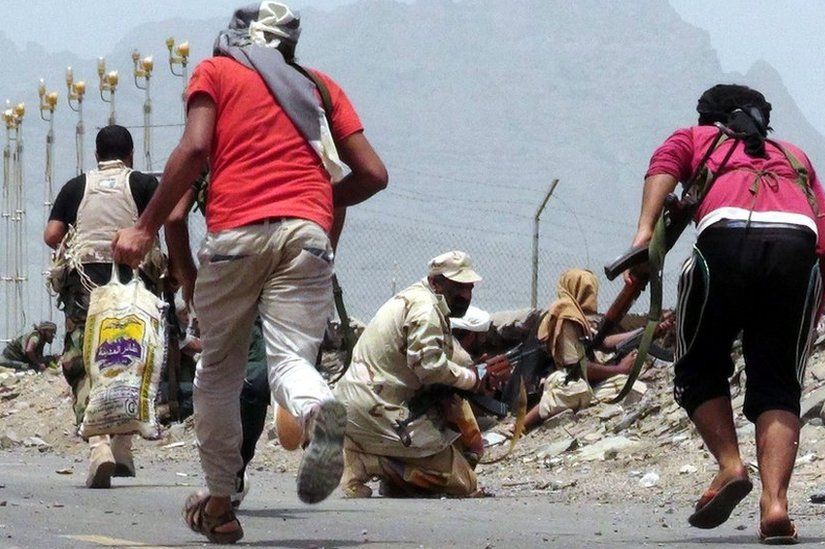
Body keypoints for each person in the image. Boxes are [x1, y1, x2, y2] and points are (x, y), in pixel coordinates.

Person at [112, 3, 387, 543]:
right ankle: (317, 410)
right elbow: (373, 174)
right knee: (290, 361)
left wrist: (142, 230)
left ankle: (219, 501)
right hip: (308, 235)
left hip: (237, 233)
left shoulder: (215, 72)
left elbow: (193, 150)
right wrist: (314, 205)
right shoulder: (321, 88)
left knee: (218, 370)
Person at [629, 84, 825, 542]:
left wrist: (645, 231)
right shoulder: (795, 156)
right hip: (795, 249)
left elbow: (664, 166)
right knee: (779, 382)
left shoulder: (695, 138)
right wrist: (813, 309)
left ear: (710, 119)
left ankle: (730, 466)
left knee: (697, 364)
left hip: (725, 240)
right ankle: (776, 504)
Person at [334, 251, 509, 499]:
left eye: (469, 288)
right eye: (458, 287)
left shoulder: (419, 301)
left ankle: (382, 467)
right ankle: (371, 462)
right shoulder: (425, 310)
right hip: (377, 410)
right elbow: (429, 367)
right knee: (462, 483)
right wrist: (474, 380)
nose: (466, 296)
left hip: (363, 405)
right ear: (437, 282)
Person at [43, 124, 161, 489]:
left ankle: (99, 448)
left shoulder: (77, 186)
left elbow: (51, 236)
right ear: (130, 156)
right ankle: (124, 447)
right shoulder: (143, 184)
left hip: (85, 287)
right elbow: (164, 222)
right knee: (129, 359)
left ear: (96, 156)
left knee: (82, 363)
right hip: (134, 286)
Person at [522, 269, 651, 430]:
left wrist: (648, 331)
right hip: (559, 381)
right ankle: (521, 425)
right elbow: (578, 368)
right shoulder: (566, 316)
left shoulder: (577, 314)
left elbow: (602, 342)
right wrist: (620, 369)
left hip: (578, 378)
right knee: (576, 388)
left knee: (632, 386)